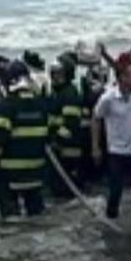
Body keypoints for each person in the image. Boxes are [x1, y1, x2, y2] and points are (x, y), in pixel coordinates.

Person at [0, 60, 52, 219]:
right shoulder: (41, 105)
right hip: (36, 173)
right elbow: (48, 135)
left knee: (11, 218)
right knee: (36, 215)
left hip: (10, 174)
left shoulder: (8, 105)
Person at [92, 64, 131, 221]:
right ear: (122, 78)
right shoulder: (108, 98)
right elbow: (96, 119)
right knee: (115, 192)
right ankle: (111, 220)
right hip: (117, 152)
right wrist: (95, 147)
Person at [48, 58, 84, 197]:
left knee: (67, 189)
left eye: (58, 74)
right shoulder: (57, 93)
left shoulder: (69, 94)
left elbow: (71, 125)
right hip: (58, 149)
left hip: (68, 150)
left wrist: (56, 140)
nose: (54, 77)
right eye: (53, 73)